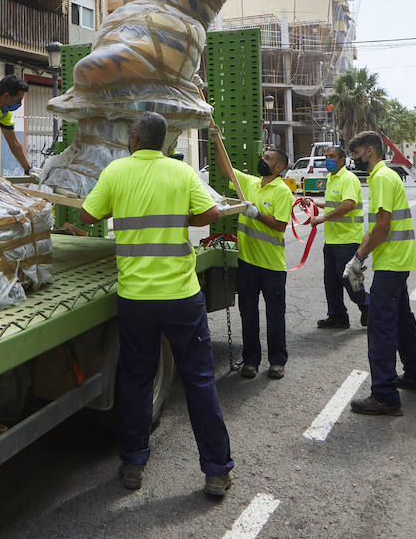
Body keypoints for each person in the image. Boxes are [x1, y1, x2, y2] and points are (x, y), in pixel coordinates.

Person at [80, 112, 233, 498]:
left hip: (136, 298)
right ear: (165, 142)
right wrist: (183, 216)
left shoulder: (116, 172)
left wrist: (124, 206)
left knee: (135, 380)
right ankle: (216, 471)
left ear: (133, 139)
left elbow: (87, 214)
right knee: (199, 381)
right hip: (181, 296)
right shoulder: (181, 173)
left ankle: (133, 463)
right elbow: (213, 212)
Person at [349, 130, 416, 416]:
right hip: (397, 262)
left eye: (356, 154)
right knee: (402, 323)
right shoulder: (384, 177)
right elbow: (376, 228)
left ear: (370, 151)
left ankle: (384, 395)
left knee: (381, 327)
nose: (354, 160)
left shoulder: (383, 178)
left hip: (391, 264)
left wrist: (360, 256)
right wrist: (358, 256)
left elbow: (383, 228)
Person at [210, 127, 293, 380]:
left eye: (268, 158)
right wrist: (216, 139)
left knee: (275, 316)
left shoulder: (283, 191)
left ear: (278, 168)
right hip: (247, 263)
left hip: (272, 267)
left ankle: (277, 361)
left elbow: (280, 226)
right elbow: (226, 169)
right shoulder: (250, 183)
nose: (262, 159)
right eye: (264, 155)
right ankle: (251, 360)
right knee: (248, 314)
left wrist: (255, 213)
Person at [313, 146, 367, 330]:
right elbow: (333, 204)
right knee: (331, 281)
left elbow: (348, 205)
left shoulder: (348, 178)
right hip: (332, 240)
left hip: (348, 239)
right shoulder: (331, 178)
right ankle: (337, 316)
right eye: (326, 156)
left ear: (342, 160)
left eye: (332, 156)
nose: (328, 159)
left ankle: (368, 307)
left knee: (349, 279)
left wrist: (323, 218)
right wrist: (315, 204)